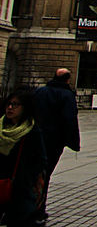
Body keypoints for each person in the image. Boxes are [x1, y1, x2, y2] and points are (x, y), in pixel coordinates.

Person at [33, 68, 79, 224]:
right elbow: (70, 119)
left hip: (34, 138)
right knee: (44, 175)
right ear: (68, 79)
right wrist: (73, 142)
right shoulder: (67, 95)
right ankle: (38, 210)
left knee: (31, 173)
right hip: (54, 140)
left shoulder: (39, 92)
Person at [1, 87, 48, 227]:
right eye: (8, 104)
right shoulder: (1, 128)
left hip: (21, 188)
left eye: (15, 105)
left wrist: (29, 179)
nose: (10, 108)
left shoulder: (32, 131)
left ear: (24, 108)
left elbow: (41, 160)